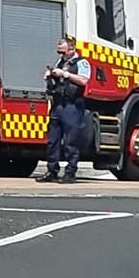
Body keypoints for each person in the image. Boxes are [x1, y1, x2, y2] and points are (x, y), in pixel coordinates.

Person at [36, 37, 92, 183]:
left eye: (63, 51)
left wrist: (65, 74)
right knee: (53, 140)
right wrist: (51, 75)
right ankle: (52, 171)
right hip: (58, 104)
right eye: (59, 52)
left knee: (71, 141)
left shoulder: (82, 63)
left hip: (72, 106)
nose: (60, 55)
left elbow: (84, 80)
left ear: (71, 49)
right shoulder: (60, 62)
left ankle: (70, 172)